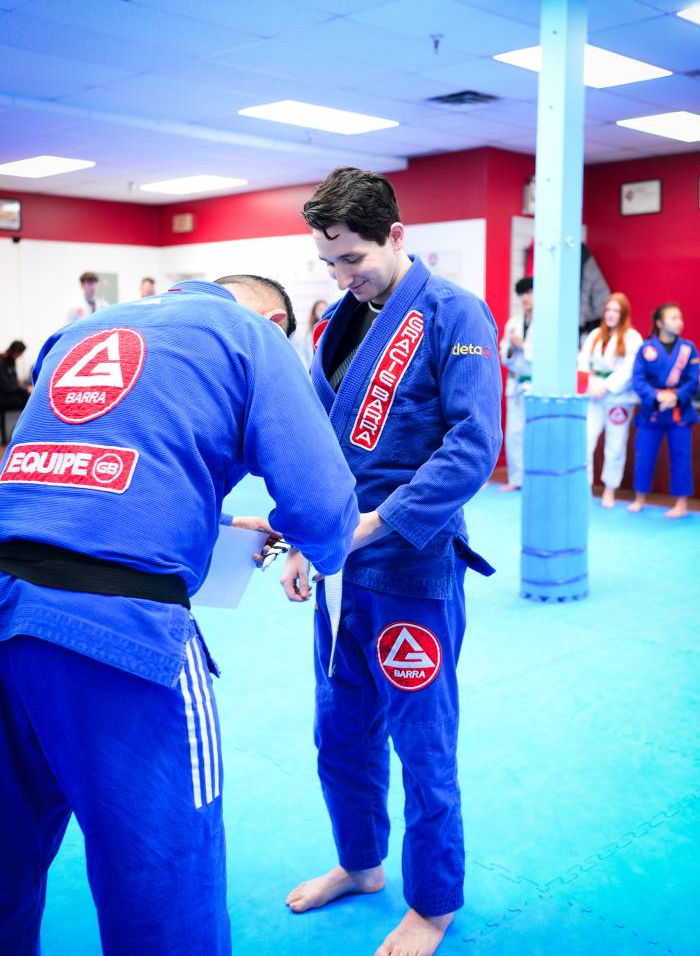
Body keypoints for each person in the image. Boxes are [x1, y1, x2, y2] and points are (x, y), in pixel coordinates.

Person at [0, 274, 359, 956]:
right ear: (275, 320)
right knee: (165, 887)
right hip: (123, 636)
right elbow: (324, 510)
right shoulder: (253, 336)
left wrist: (208, 527)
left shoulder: (82, 329)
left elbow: (87, 477)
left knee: (5, 864)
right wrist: (317, 544)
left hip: (6, 596)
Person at [281, 167, 502, 956]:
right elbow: (319, 446)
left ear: (397, 235)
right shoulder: (338, 323)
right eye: (329, 262)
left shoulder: (455, 313)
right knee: (339, 731)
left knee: (422, 745)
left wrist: (376, 524)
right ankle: (359, 861)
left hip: (410, 566)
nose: (342, 276)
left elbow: (473, 445)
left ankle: (433, 901)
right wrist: (305, 538)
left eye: (353, 259)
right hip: (342, 572)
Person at [628, 303, 699, 519]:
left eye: (680, 318)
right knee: (644, 455)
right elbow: (638, 379)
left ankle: (681, 503)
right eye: (673, 318)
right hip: (652, 410)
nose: (679, 322)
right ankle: (640, 498)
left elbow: (694, 379)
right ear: (659, 323)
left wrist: (676, 396)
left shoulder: (688, 349)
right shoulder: (646, 349)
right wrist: (655, 396)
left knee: (681, 456)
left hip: (679, 411)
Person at [578, 293, 643, 507]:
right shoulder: (595, 335)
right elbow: (582, 362)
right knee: (586, 440)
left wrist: (606, 386)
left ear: (623, 314)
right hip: (593, 395)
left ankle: (610, 489)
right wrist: (591, 383)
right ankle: (584, 487)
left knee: (615, 444)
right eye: (608, 310)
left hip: (618, 397)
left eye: (616, 310)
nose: (611, 314)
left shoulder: (632, 337)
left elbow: (630, 369)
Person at [499, 277, 533, 492]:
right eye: (522, 295)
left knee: (533, 433)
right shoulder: (513, 323)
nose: (525, 298)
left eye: (529, 293)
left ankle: (533, 479)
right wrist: (512, 348)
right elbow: (504, 354)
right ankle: (515, 478)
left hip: (534, 384)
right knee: (513, 434)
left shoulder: (548, 322)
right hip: (515, 383)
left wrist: (524, 347)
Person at [579, 243, 610, 342]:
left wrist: (578, 326)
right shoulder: (584, 259)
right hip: (595, 312)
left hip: (597, 315)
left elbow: (584, 294)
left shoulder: (583, 262)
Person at [295, 299, 330, 367]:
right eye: (320, 309)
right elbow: (304, 353)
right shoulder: (308, 333)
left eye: (325, 309)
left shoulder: (331, 329)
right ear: (314, 312)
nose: (323, 311)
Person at [0, 341, 32, 411]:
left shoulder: (11, 362)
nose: (20, 356)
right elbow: (6, 387)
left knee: (28, 396)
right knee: (28, 400)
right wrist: (25, 389)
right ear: (15, 351)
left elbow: (14, 382)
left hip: (9, 393)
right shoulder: (2, 362)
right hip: (3, 396)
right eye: (20, 353)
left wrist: (23, 387)